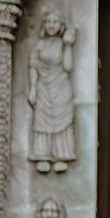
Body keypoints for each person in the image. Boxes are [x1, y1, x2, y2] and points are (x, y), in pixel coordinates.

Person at [28, 10, 77, 173]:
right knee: (42, 119)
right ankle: (42, 155)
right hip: (43, 87)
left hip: (61, 86)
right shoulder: (39, 45)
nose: (51, 25)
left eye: (55, 22)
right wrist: (33, 88)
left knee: (62, 120)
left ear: (61, 25)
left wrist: (69, 45)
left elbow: (68, 67)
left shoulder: (63, 44)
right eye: (48, 21)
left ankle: (62, 154)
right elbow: (33, 66)